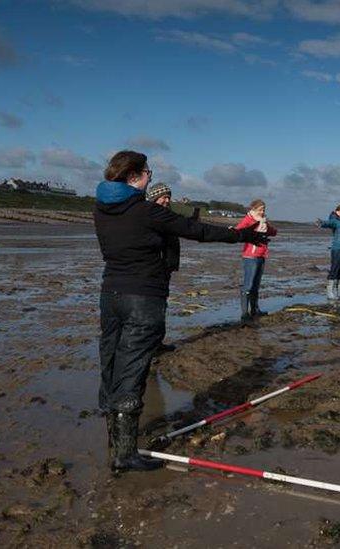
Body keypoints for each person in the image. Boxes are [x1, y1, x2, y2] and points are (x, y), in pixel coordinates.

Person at [93, 150, 268, 472]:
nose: (150, 177)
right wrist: (244, 234)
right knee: (133, 369)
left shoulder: (102, 209)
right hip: (143, 297)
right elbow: (199, 231)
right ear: (133, 177)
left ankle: (114, 441)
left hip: (111, 295)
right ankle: (125, 455)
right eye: (147, 172)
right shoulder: (145, 211)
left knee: (111, 359)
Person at [235, 199, 277, 323]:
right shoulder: (248, 220)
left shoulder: (263, 221)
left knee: (256, 285)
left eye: (263, 209)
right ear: (253, 209)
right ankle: (244, 314)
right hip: (250, 256)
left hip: (262, 255)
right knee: (248, 285)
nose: (262, 212)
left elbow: (273, 232)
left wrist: (266, 226)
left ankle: (255, 310)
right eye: (259, 210)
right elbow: (237, 230)